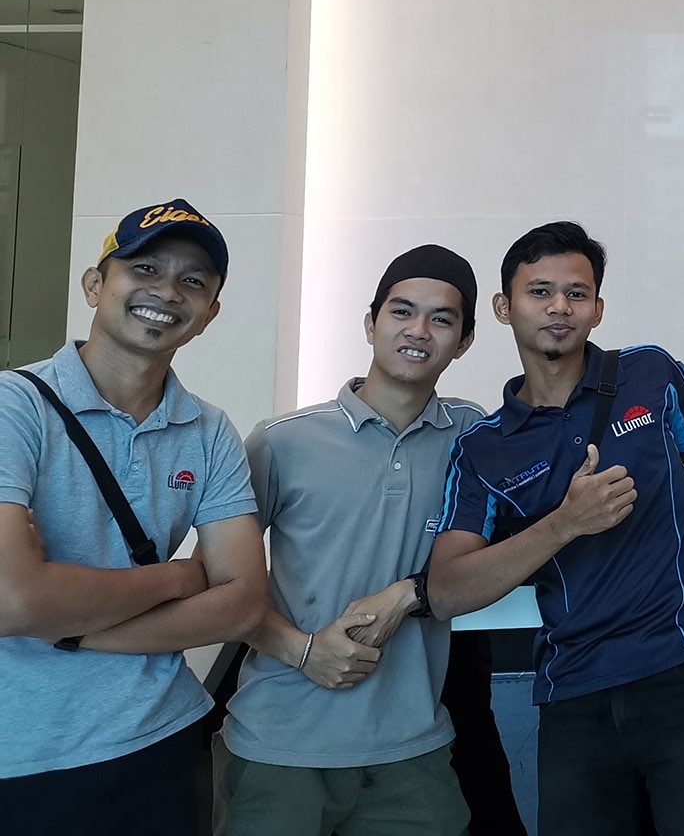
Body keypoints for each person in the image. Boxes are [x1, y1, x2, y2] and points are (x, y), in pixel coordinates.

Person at [426, 222, 684, 836]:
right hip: (574, 690)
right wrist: (565, 524)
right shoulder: (483, 447)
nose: (559, 307)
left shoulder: (650, 374)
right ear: (504, 307)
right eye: (540, 291)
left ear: (597, 309)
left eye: (576, 293)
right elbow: (446, 590)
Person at [0, 200, 267, 835]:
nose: (168, 292)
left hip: (165, 739)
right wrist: (180, 578)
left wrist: (70, 628)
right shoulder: (14, 406)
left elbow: (243, 605)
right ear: (95, 284)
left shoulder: (209, 429)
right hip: (28, 753)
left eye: (193, 280)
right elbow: (14, 600)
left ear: (210, 313)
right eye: (145, 269)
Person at [216, 244, 489, 835]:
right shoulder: (282, 442)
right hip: (280, 744)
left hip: (413, 749)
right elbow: (217, 582)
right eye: (401, 311)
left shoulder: (475, 437)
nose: (418, 330)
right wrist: (302, 650)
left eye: (441, 319)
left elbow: (516, 546)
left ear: (464, 341)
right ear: (370, 324)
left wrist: (410, 592)